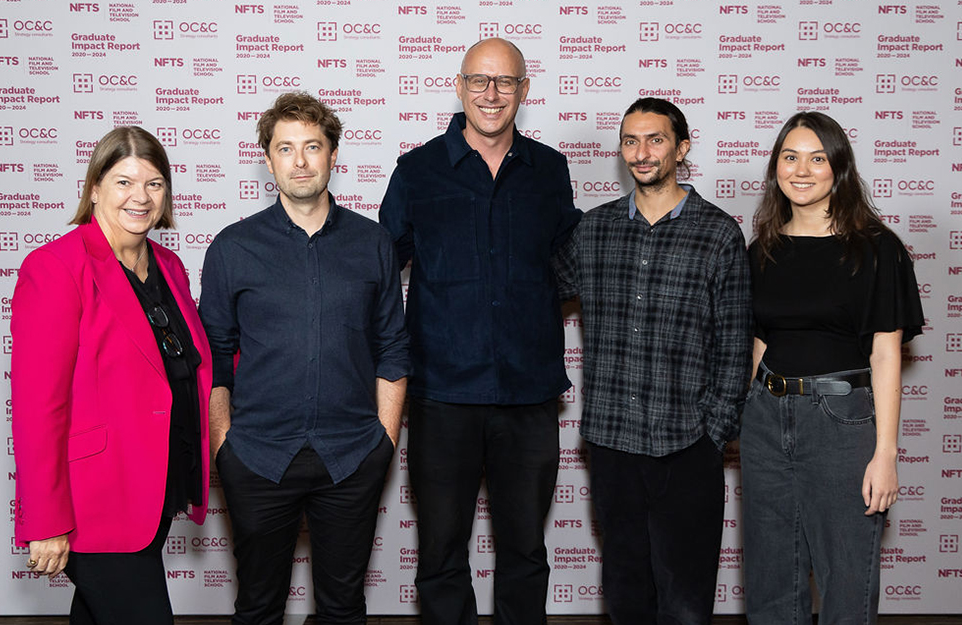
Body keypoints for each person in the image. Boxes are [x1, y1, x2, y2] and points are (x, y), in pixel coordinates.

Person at [379, 38, 581, 625]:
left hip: (529, 393)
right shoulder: (417, 170)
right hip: (443, 393)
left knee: (525, 551)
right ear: (460, 86)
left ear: (524, 90)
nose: (492, 94)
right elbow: (378, 270)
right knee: (441, 551)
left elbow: (566, 265)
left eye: (506, 82)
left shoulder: (551, 170)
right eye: (479, 81)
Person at [199, 92, 410, 625]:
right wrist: (225, 446)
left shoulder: (374, 243)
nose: (299, 161)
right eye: (285, 148)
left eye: (312, 147)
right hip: (257, 457)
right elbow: (215, 355)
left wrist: (383, 442)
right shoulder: (232, 247)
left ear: (332, 155)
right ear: (267, 160)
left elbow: (392, 347)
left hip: (352, 455)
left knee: (342, 609)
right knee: (258, 607)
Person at [552, 97, 751, 624]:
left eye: (656, 139)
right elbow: (535, 294)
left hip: (687, 444)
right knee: (624, 590)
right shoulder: (592, 230)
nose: (642, 153)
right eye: (630, 141)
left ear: (682, 148)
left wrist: (713, 434)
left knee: (685, 599)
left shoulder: (719, 234)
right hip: (613, 440)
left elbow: (734, 347)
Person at [10, 126, 212, 624]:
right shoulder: (56, 267)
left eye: (154, 184)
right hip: (94, 502)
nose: (140, 197)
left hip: (154, 488)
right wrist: (47, 522)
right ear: (95, 188)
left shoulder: (169, 266)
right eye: (123, 182)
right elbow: (40, 407)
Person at [741, 111, 924, 625]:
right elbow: (760, 341)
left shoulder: (874, 248)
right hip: (764, 419)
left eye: (817, 158)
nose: (802, 170)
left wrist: (884, 454)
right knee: (771, 581)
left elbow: (886, 354)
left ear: (838, 167)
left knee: (847, 580)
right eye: (790, 157)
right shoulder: (762, 251)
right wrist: (748, 413)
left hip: (841, 424)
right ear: (776, 167)